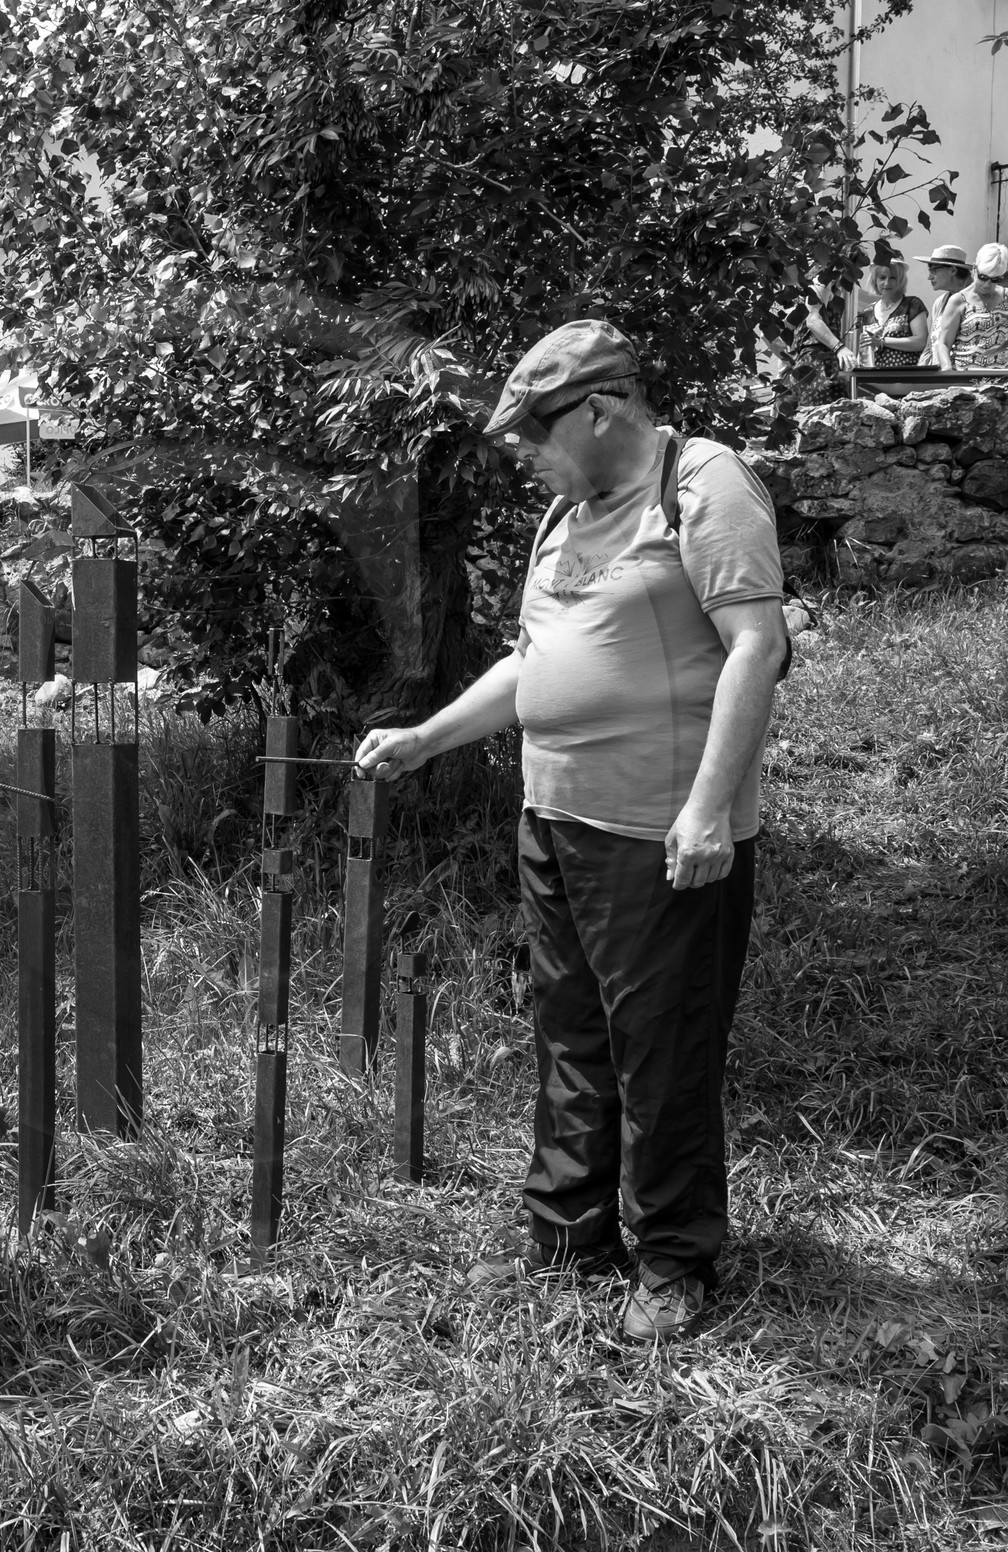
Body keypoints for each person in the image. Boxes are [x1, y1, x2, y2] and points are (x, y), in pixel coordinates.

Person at [355, 322, 789, 1341]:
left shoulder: (704, 483)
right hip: (555, 822)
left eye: (536, 435)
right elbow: (533, 660)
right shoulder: (567, 512)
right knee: (570, 1033)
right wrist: (426, 737)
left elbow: (754, 648)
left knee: (663, 1050)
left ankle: (674, 1261)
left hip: (659, 833)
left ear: (598, 409)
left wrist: (705, 809)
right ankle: (568, 1235)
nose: (525, 457)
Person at [936, 243, 1008, 370]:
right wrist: (947, 368)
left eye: (995, 279)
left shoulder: (1006, 297)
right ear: (974, 269)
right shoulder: (959, 301)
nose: (987, 284)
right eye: (983, 277)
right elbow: (944, 344)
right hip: (965, 378)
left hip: (1000, 380)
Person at [853, 257, 927, 367]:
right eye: (882, 278)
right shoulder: (868, 311)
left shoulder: (912, 304)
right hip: (874, 379)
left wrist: (882, 341)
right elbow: (864, 349)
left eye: (893, 278)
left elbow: (921, 342)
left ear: (900, 280)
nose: (887, 283)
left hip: (906, 377)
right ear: (875, 280)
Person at [914, 244, 975, 364]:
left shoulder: (976, 299)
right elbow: (929, 346)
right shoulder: (940, 302)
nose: (929, 277)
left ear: (953, 270)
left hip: (966, 376)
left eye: (934, 270)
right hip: (940, 377)